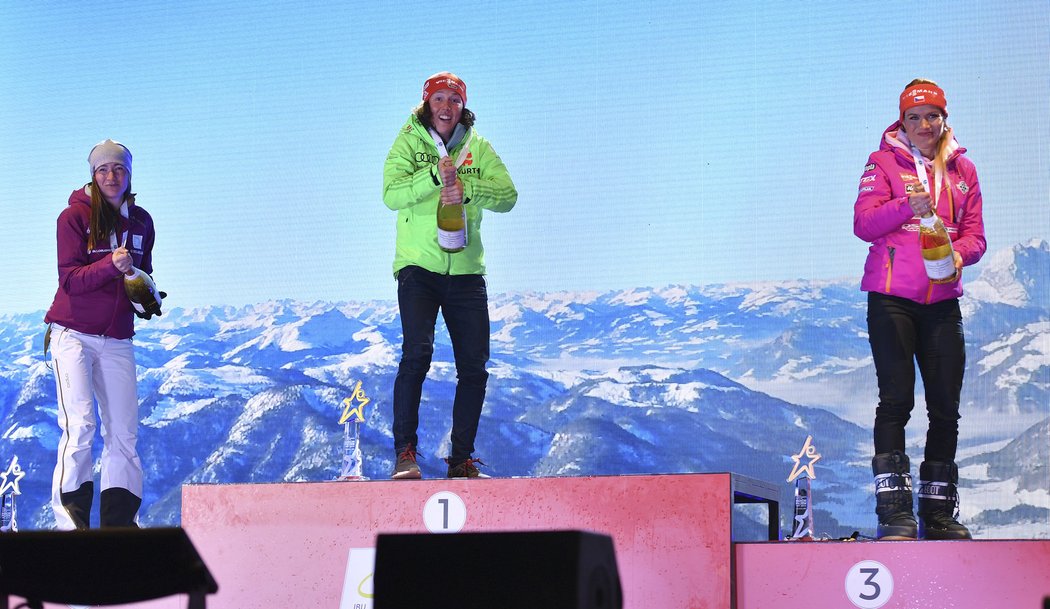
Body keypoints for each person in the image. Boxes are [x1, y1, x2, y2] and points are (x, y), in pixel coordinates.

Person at [853, 80, 986, 540]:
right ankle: (894, 514)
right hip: (892, 299)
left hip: (943, 303)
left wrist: (958, 256)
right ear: (902, 121)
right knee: (897, 401)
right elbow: (863, 224)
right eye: (915, 117)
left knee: (945, 408)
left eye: (932, 115)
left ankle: (937, 514)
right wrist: (903, 206)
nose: (924, 125)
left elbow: (976, 236)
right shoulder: (882, 162)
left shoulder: (963, 169)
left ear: (943, 118)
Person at [382, 72, 517, 479]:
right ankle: (405, 454)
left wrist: (469, 191)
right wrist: (435, 177)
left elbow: (508, 196)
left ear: (463, 106)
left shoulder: (478, 147)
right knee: (416, 355)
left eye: (453, 100)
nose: (445, 107)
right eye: (438, 99)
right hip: (418, 267)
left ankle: (461, 461)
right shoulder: (409, 140)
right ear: (426, 104)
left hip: (466, 270)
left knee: (474, 368)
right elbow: (390, 194)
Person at [44, 139, 155, 528]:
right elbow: (70, 281)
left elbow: (144, 273)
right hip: (73, 333)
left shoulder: (141, 222)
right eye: (104, 169)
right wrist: (111, 265)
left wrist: (147, 296)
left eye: (119, 169)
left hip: (118, 338)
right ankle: (71, 527)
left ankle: (119, 529)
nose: (112, 176)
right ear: (93, 175)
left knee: (124, 431)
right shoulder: (73, 218)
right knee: (81, 425)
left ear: (129, 175)